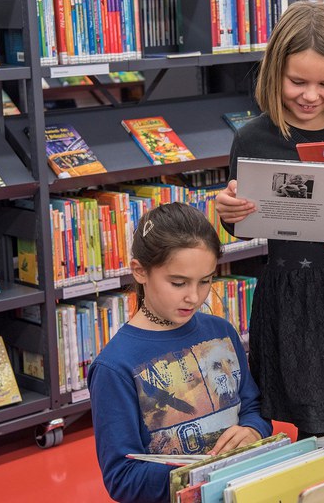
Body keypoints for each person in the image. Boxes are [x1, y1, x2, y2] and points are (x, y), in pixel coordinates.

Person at [215, 1, 324, 439]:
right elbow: (240, 224)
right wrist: (230, 214)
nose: (311, 95)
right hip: (290, 293)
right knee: (303, 411)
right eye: (297, 81)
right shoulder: (253, 137)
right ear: (275, 72)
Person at [87, 203, 271, 503]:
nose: (194, 297)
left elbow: (253, 407)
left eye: (206, 281)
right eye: (178, 283)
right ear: (140, 271)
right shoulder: (114, 366)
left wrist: (252, 430)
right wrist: (203, 473)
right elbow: (122, 477)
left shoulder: (221, 332)